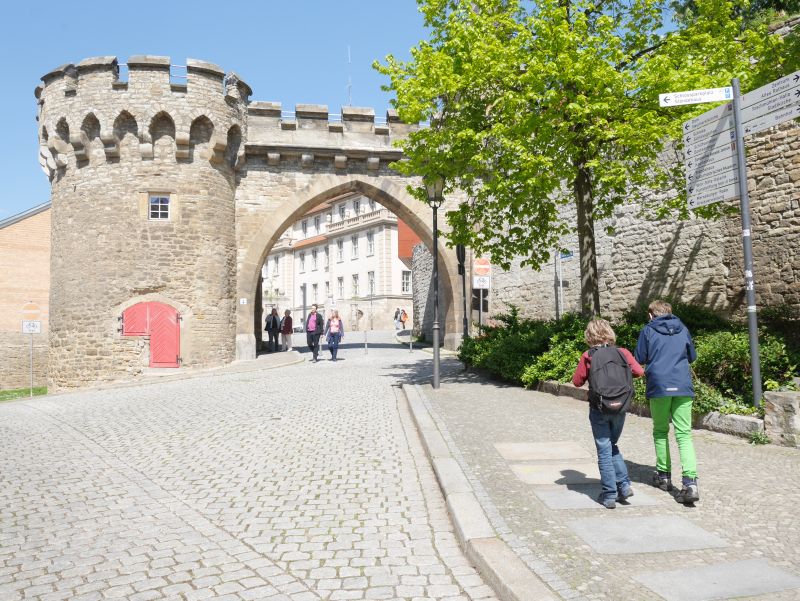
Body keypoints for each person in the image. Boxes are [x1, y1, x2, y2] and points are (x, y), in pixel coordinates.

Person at [572, 319, 644, 509]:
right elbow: (639, 371)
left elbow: (577, 381)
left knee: (604, 448)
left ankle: (610, 494)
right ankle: (624, 485)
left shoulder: (588, 355)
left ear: (589, 336)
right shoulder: (622, 352)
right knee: (612, 444)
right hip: (620, 406)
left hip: (599, 407)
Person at [634, 300, 699, 505]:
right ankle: (690, 483)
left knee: (660, 431)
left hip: (659, 386)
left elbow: (640, 358)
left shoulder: (648, 331)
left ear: (652, 314)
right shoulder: (683, 329)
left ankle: (663, 476)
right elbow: (692, 356)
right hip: (682, 385)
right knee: (684, 434)